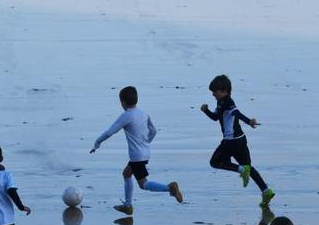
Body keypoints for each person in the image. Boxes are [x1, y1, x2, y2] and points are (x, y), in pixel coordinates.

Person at [90, 86, 183, 216]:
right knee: (127, 173)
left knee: (143, 184)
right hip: (145, 153)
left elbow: (110, 131)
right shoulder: (143, 113)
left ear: (123, 102)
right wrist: (145, 143)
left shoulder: (126, 116)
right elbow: (154, 131)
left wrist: (97, 142)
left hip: (137, 156)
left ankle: (169, 188)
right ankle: (128, 206)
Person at [201, 74, 275, 206]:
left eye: (215, 92)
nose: (213, 94)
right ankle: (266, 191)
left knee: (215, 162)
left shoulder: (228, 102)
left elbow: (237, 113)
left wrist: (249, 122)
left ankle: (241, 170)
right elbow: (215, 117)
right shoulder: (221, 102)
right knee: (248, 167)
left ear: (224, 90)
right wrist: (206, 111)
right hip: (240, 140)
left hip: (230, 142)